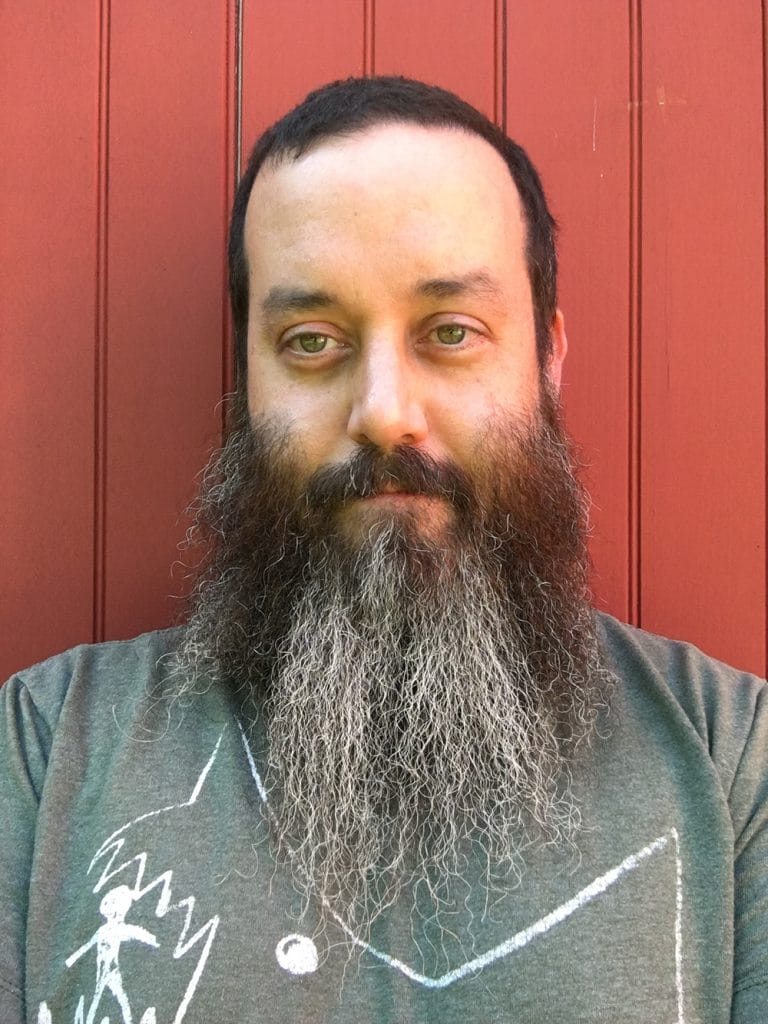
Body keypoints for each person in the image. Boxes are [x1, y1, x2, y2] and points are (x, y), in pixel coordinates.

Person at [1, 76, 765, 1024]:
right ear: (247, 372)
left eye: (452, 333)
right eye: (312, 341)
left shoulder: (736, 767)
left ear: (549, 363)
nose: (384, 414)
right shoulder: (40, 757)